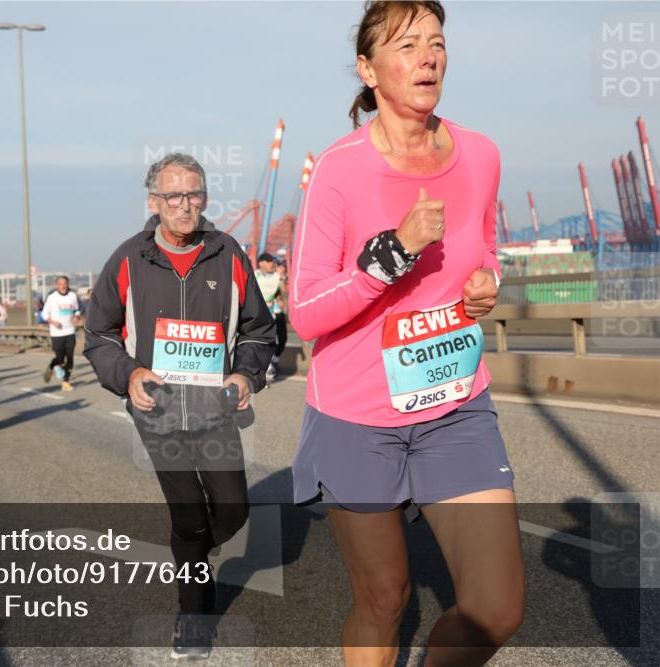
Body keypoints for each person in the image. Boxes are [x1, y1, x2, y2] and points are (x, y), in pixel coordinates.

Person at [289, 3, 523, 665]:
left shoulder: (481, 155)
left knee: (497, 607)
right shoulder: (340, 169)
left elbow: (487, 250)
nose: (428, 56)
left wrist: (487, 283)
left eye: (437, 43)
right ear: (368, 70)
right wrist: (393, 251)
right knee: (385, 598)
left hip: (455, 404)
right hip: (357, 417)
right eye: (407, 45)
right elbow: (305, 309)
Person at [84, 153, 275, 659]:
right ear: (154, 202)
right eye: (174, 196)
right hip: (159, 410)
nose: (184, 206)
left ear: (205, 199)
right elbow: (97, 333)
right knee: (189, 515)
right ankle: (192, 616)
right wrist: (129, 375)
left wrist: (245, 373)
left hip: (216, 409)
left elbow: (260, 329)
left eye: (193, 195)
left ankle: (192, 553)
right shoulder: (128, 259)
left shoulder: (228, 253)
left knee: (232, 514)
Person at [41, 276, 81, 391]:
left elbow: (77, 309)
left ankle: (66, 381)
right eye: (60, 284)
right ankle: (51, 366)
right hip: (56, 333)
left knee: (70, 357)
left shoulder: (73, 296)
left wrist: (76, 316)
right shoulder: (52, 298)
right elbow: (44, 314)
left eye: (65, 283)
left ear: (68, 284)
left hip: (69, 331)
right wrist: (53, 322)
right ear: (56, 285)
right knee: (59, 358)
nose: (63, 286)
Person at [254, 253, 288, 380]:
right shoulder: (254, 274)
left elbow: (282, 292)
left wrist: (281, 277)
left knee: (278, 339)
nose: (271, 264)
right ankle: (266, 369)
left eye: (272, 261)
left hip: (272, 314)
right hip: (258, 314)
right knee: (263, 342)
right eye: (268, 261)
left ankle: (270, 365)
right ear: (261, 263)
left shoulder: (276, 276)